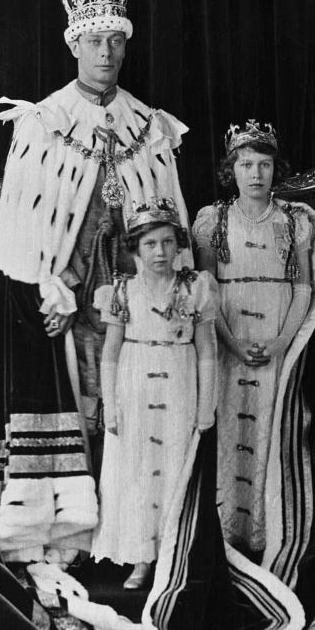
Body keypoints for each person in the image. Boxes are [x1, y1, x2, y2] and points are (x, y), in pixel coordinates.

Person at [0, 0, 192, 567]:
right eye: (95, 42)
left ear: (125, 45)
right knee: (83, 405)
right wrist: (49, 291)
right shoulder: (42, 124)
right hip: (65, 295)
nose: (106, 53)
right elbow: (19, 233)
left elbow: (170, 222)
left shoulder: (149, 125)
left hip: (135, 290)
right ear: (74, 44)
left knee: (131, 406)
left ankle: (136, 535)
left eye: (116, 42)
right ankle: (70, 531)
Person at [193, 121, 313, 555]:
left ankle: (268, 531)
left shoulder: (294, 221)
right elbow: (206, 290)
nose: (256, 174)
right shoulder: (214, 220)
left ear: (274, 169)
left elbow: (303, 288)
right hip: (230, 337)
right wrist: (230, 342)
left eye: (264, 165)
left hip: (277, 333)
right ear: (233, 169)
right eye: (246, 165)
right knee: (230, 424)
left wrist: (282, 341)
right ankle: (228, 529)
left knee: (272, 426)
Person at [92, 199, 218, 588]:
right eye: (150, 244)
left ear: (179, 245)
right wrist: (110, 407)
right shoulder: (122, 291)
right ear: (135, 249)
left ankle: (171, 553)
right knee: (137, 471)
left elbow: (208, 352)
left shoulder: (195, 287)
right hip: (134, 384)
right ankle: (140, 558)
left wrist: (206, 408)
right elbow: (110, 354)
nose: (160, 252)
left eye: (167, 243)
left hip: (179, 385)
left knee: (174, 469)